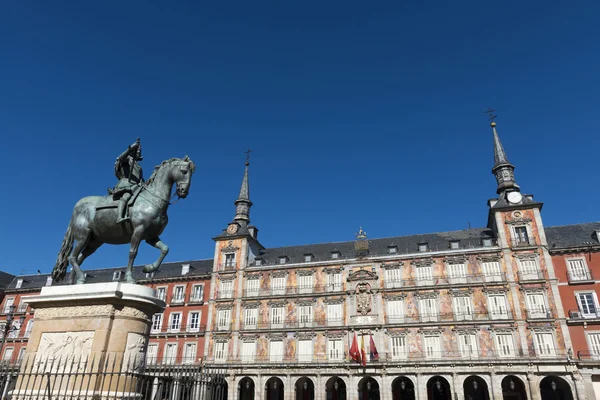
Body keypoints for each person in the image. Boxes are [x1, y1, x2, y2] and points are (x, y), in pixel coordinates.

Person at [110, 138, 144, 223]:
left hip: (137, 186)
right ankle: (119, 217)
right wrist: (131, 148)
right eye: (138, 151)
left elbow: (141, 179)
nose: (139, 152)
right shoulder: (128, 158)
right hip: (127, 184)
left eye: (140, 151)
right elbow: (120, 159)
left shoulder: (139, 167)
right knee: (126, 196)